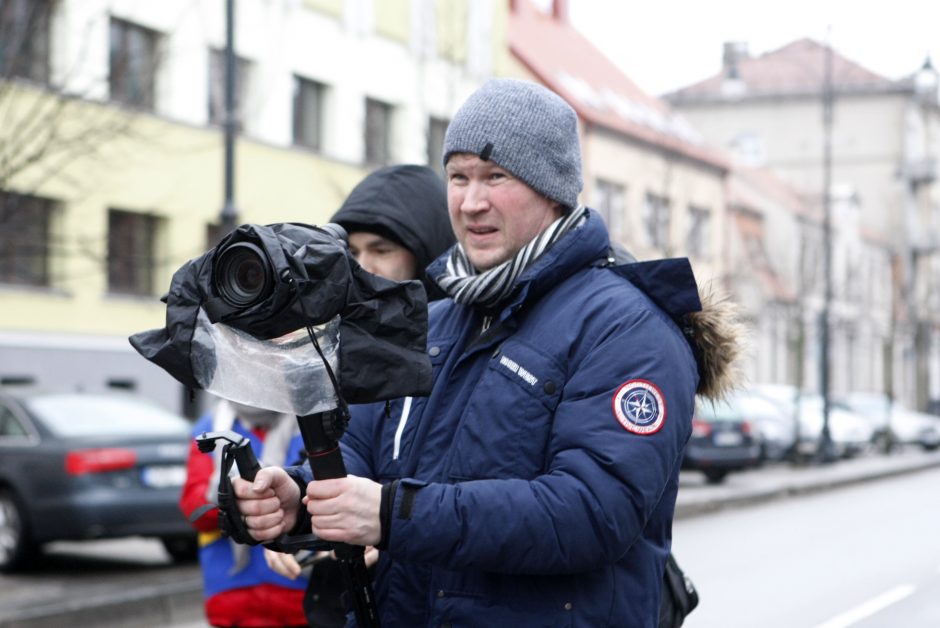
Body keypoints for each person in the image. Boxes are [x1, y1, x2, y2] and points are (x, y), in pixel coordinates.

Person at [234, 78, 739, 627]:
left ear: (553, 189)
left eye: (496, 177)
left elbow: (593, 513)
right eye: (458, 177)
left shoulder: (628, 327)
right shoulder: (434, 318)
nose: (472, 202)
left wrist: (390, 514)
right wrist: (301, 496)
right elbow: (360, 449)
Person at [261, 163, 455, 626]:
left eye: (382, 249)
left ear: (427, 252)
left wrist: (386, 522)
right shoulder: (339, 346)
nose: (362, 266)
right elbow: (346, 460)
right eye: (351, 250)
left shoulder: (466, 347)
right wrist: (297, 514)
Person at [179, 399, 309, 627]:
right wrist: (221, 492)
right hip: (232, 591)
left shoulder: (310, 423)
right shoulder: (209, 428)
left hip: (300, 590)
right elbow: (194, 511)